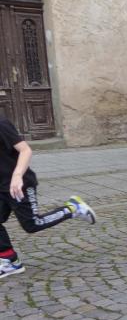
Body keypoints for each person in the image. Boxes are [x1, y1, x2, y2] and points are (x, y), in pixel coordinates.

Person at [0, 117, 97, 279]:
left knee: (33, 224)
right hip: (1, 186)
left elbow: (25, 150)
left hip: (19, 185)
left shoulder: (1, 124)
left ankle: (73, 208)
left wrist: (17, 176)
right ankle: (10, 261)